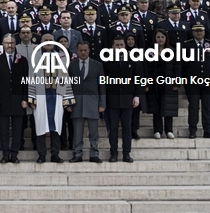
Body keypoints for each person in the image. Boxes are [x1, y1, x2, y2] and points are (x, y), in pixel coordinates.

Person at [28, 34, 73, 163]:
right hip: (40, 96)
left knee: (57, 126)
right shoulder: (35, 57)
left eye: (50, 40)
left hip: (57, 95)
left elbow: (66, 78)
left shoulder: (62, 57)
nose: (48, 42)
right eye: (45, 40)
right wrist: (31, 97)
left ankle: (55, 154)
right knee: (40, 125)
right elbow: (31, 77)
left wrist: (67, 99)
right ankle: (41, 154)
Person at [103, 35, 140, 163]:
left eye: (121, 45)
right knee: (113, 129)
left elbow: (138, 79)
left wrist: (136, 96)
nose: (119, 48)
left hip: (127, 99)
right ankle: (113, 153)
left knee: (127, 129)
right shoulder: (107, 60)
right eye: (117, 45)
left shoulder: (132, 59)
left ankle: (126, 153)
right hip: (112, 100)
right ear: (112, 47)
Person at [0, 34, 29, 164]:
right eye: (7, 43)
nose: (10, 45)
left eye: (12, 43)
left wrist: (25, 98)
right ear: (3, 44)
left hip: (18, 99)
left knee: (17, 129)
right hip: (2, 100)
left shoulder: (23, 60)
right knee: (3, 129)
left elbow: (26, 80)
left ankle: (14, 154)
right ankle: (5, 153)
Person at [68, 41, 105, 163]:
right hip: (76, 102)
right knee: (77, 131)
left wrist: (102, 103)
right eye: (80, 50)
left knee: (93, 131)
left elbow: (102, 85)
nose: (83, 52)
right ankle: (77, 154)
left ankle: (94, 154)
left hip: (92, 101)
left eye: (85, 50)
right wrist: (68, 102)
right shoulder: (71, 65)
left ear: (89, 50)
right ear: (77, 51)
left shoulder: (97, 65)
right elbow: (68, 85)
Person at [183, 23, 210, 139]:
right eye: (196, 31)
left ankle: (207, 129)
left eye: (201, 31)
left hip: (207, 80)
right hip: (192, 81)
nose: (199, 33)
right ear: (193, 32)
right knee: (193, 106)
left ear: (204, 32)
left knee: (207, 106)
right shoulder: (187, 46)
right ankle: (192, 130)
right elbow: (183, 64)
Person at [145, 30, 180, 139]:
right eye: (158, 37)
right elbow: (147, 68)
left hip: (168, 83)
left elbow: (177, 68)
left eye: (162, 37)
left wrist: (176, 82)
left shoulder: (172, 51)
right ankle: (157, 130)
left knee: (168, 106)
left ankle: (169, 130)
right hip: (155, 84)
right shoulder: (150, 52)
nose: (160, 39)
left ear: (166, 38)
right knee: (156, 107)